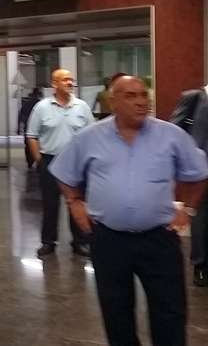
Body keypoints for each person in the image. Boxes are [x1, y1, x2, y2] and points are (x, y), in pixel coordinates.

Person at [50, 75, 208, 346]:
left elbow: (199, 171)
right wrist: (74, 202)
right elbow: (64, 172)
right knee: (116, 312)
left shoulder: (170, 135)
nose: (141, 102)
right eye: (130, 96)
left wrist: (189, 208)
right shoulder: (90, 137)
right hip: (109, 240)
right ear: (113, 102)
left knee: (169, 312)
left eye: (144, 95)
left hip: (159, 240)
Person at [26, 69, 94, 258]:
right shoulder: (42, 107)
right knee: (50, 204)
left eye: (71, 79)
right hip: (50, 161)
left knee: (76, 202)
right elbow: (32, 135)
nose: (70, 83)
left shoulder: (81, 106)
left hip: (75, 163)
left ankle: (80, 242)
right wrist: (39, 161)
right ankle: (48, 242)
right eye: (65, 80)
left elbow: (91, 134)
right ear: (54, 84)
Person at [171, 84, 208, 286]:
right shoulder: (195, 98)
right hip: (202, 171)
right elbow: (174, 131)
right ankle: (200, 265)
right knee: (201, 218)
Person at [17, 88, 42, 169]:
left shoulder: (26, 103)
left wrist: (18, 128)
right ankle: (38, 161)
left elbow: (20, 116)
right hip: (38, 128)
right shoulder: (40, 104)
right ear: (38, 95)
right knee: (39, 145)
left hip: (27, 127)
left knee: (27, 145)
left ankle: (29, 162)